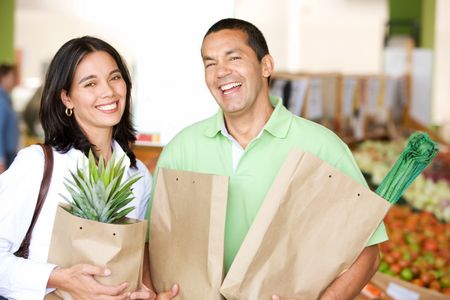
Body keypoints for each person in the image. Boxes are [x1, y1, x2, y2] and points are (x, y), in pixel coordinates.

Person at [151, 18, 388, 300]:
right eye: (210, 63)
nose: (221, 72)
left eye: (234, 58)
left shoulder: (321, 147)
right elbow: (151, 244)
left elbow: (368, 253)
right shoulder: (181, 150)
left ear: (266, 66)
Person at [0, 36, 174, 300]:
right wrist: (59, 278)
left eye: (115, 78)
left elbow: (130, 262)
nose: (109, 91)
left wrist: (143, 292)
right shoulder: (38, 165)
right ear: (66, 98)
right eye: (90, 83)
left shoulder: (137, 175)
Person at [0, 64, 19, 174]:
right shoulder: (1, 99)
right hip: (5, 155)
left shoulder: (6, 97)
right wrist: (1, 159)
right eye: (12, 77)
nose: (14, 80)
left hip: (9, 152)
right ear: (3, 77)